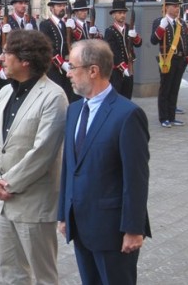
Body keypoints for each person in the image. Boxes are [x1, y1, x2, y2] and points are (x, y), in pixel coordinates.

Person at [57, 39, 151, 285]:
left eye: (72, 67)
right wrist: (64, 213)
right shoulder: (75, 110)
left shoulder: (127, 115)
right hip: (80, 224)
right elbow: (69, 166)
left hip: (113, 231)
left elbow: (136, 178)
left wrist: (133, 228)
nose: (68, 74)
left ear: (93, 70)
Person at [0, 30, 68, 285]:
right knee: (11, 272)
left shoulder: (53, 96)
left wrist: (8, 184)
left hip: (34, 202)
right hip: (4, 201)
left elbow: (43, 153)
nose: (1, 57)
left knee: (44, 276)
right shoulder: (4, 93)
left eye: (7, 52)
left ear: (25, 60)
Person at [150, 0, 188, 128]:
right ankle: (164, 118)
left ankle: (172, 116)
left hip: (180, 60)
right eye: (174, 6)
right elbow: (153, 40)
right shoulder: (160, 21)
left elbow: (187, 40)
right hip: (167, 60)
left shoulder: (180, 22)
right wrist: (161, 27)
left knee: (175, 89)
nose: (177, 9)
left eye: (178, 6)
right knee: (165, 90)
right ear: (166, 7)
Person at [40, 0, 79, 102]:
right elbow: (48, 46)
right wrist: (61, 63)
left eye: (63, 5)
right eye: (59, 6)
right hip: (54, 68)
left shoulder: (67, 24)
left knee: (70, 97)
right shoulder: (46, 25)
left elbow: (77, 41)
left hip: (68, 66)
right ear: (52, 8)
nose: (62, 8)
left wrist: (74, 29)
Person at [104, 0, 142, 99]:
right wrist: (123, 67)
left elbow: (138, 44)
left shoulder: (130, 28)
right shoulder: (110, 31)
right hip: (117, 71)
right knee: (116, 97)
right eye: (120, 13)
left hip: (129, 67)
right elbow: (113, 52)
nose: (123, 15)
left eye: (124, 13)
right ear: (113, 15)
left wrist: (135, 36)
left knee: (128, 96)